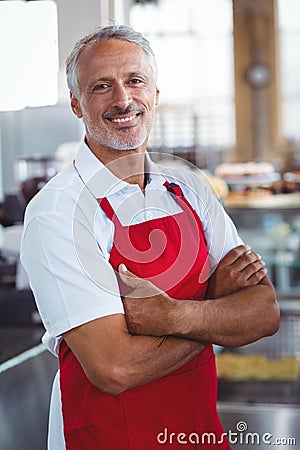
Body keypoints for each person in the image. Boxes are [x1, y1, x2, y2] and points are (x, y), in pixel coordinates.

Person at [20, 25, 280, 450]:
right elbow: (114, 368)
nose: (123, 100)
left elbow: (264, 314)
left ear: (156, 93)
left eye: (135, 81)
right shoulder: (58, 211)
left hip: (197, 429)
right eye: (101, 86)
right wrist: (217, 310)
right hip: (109, 437)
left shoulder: (190, 188)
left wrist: (171, 315)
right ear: (75, 103)